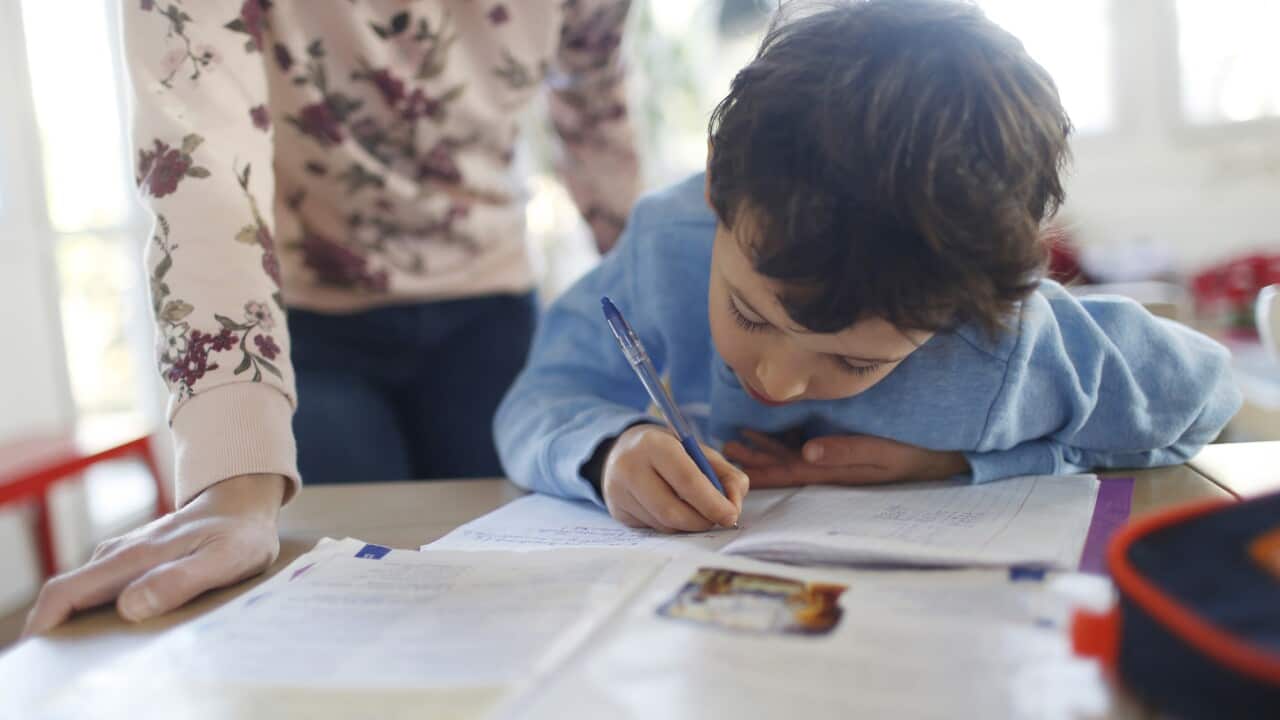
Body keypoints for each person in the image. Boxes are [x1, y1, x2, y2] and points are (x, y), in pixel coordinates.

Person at [493, 0, 1242, 532]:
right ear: (721, 186)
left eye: (853, 361)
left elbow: (1203, 398)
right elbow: (540, 398)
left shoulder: (1000, 340)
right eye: (751, 312)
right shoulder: (668, 244)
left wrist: (958, 464)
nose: (778, 382)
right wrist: (608, 451)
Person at [24, 0, 638, 634]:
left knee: (510, 607)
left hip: (491, 309)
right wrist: (233, 473)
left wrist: (663, 332)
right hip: (300, 326)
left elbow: (595, 112)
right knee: (349, 613)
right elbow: (199, 160)